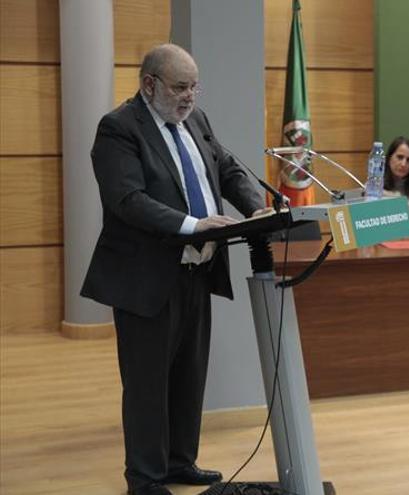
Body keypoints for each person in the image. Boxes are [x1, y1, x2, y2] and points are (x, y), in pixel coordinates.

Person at [80, 44, 269, 495]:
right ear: (149, 85)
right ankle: (144, 478)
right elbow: (128, 200)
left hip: (197, 272)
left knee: (189, 374)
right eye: (180, 87)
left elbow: (225, 169)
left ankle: (180, 461)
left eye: (194, 87)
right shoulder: (119, 129)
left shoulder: (195, 121)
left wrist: (259, 209)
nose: (190, 96)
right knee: (148, 383)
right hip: (146, 278)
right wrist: (194, 226)